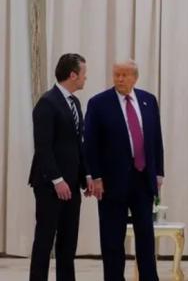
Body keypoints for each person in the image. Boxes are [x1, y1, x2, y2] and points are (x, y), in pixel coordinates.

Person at [84, 60, 164, 281]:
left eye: (125, 75)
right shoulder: (99, 103)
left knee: (145, 237)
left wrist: (159, 172)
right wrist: (96, 176)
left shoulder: (148, 100)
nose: (119, 79)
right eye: (116, 74)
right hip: (111, 183)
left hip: (143, 180)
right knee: (112, 239)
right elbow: (90, 144)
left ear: (135, 77)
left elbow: (156, 139)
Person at [28, 53, 92, 281]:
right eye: (84, 73)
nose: (86, 78)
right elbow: (43, 147)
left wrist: (86, 176)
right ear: (73, 75)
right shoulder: (47, 103)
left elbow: (78, 145)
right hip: (49, 185)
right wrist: (57, 180)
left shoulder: (75, 102)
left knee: (68, 242)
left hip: (72, 184)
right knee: (45, 240)